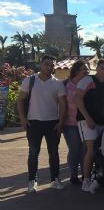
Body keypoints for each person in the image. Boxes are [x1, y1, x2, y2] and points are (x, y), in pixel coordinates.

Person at [18, 55, 67, 192]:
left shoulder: (58, 83)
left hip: (52, 123)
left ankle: (55, 179)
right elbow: (20, 99)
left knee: (54, 153)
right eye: (47, 64)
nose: (49, 67)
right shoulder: (30, 80)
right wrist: (23, 118)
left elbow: (63, 104)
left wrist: (61, 122)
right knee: (33, 153)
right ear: (41, 64)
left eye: (52, 65)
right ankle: (32, 181)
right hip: (34, 123)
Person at [76, 59, 104, 192]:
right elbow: (78, 98)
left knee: (101, 150)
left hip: (103, 122)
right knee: (91, 149)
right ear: (97, 68)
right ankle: (85, 180)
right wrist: (87, 118)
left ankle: (96, 177)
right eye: (102, 68)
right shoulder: (88, 80)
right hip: (87, 121)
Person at [62, 59, 89, 185]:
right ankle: (73, 175)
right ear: (77, 70)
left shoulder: (88, 84)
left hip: (84, 122)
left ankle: (85, 174)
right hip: (70, 123)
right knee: (74, 149)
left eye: (87, 68)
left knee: (85, 149)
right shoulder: (66, 84)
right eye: (84, 68)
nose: (86, 71)